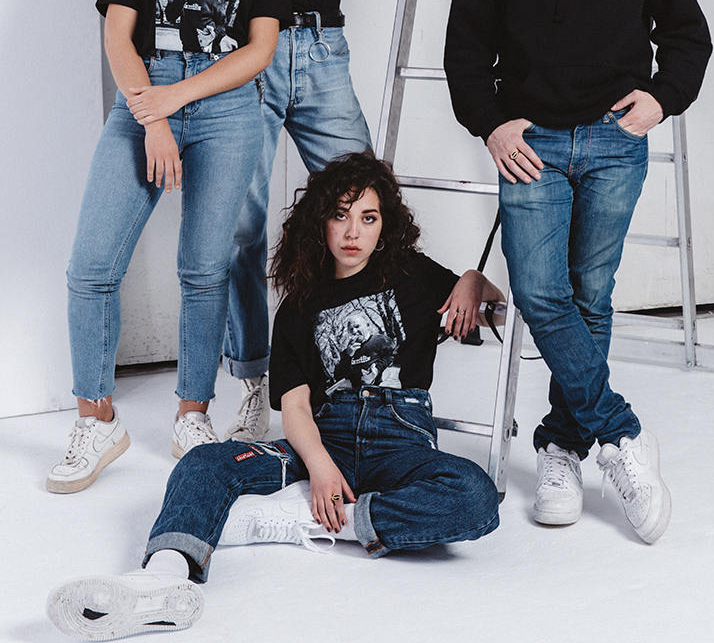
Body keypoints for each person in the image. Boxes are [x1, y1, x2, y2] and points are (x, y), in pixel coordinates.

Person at [47, 151, 502, 639]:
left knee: (475, 495)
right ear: (320, 222)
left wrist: (472, 281)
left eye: (368, 218)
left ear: (384, 225)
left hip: (401, 444)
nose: (353, 232)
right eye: (340, 215)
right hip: (325, 440)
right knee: (205, 461)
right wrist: (321, 467)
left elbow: (497, 306)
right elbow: (297, 405)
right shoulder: (299, 307)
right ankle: (163, 576)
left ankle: (321, 520)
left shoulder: (414, 274)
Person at [444, 0, 712, 544]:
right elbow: (465, 48)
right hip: (529, 143)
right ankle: (620, 434)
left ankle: (561, 445)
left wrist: (662, 98)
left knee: (592, 294)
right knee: (540, 291)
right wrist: (491, 124)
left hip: (612, 137)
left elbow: (688, 34)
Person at [46, 0, 292, 495]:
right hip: (142, 99)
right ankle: (96, 420)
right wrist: (151, 114)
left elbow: (260, 50)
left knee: (205, 269)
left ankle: (192, 414)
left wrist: (175, 100)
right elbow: (118, 38)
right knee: (91, 267)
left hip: (226, 110)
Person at [220, 0, 456, 443]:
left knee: (367, 203)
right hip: (244, 55)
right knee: (239, 224)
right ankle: (255, 378)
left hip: (321, 50)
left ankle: (373, 363)